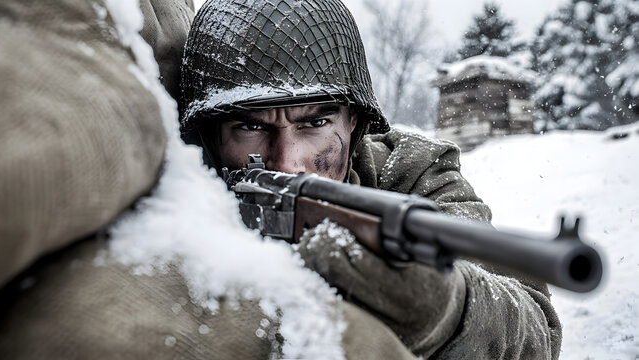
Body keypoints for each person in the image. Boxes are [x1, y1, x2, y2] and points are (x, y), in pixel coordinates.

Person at [179, 0, 562, 358]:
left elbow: (538, 331)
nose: (287, 163)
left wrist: (451, 311)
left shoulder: (410, 173)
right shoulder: (180, 193)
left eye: (314, 123)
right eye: (250, 126)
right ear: (209, 136)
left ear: (355, 123)